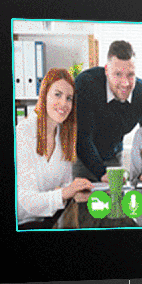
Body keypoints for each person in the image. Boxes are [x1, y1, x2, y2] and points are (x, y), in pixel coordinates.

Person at [14, 68, 91, 226]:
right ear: (44, 96)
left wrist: (74, 193)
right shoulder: (24, 132)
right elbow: (27, 200)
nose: (64, 103)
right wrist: (65, 193)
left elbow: (65, 184)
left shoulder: (64, 135)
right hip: (22, 223)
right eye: (58, 94)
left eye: (69, 98)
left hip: (48, 219)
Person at [73, 39, 142, 180]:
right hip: (83, 156)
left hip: (113, 155)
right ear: (106, 70)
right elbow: (82, 137)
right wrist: (101, 174)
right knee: (84, 199)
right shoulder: (86, 85)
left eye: (130, 75)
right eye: (118, 74)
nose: (125, 83)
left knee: (115, 199)